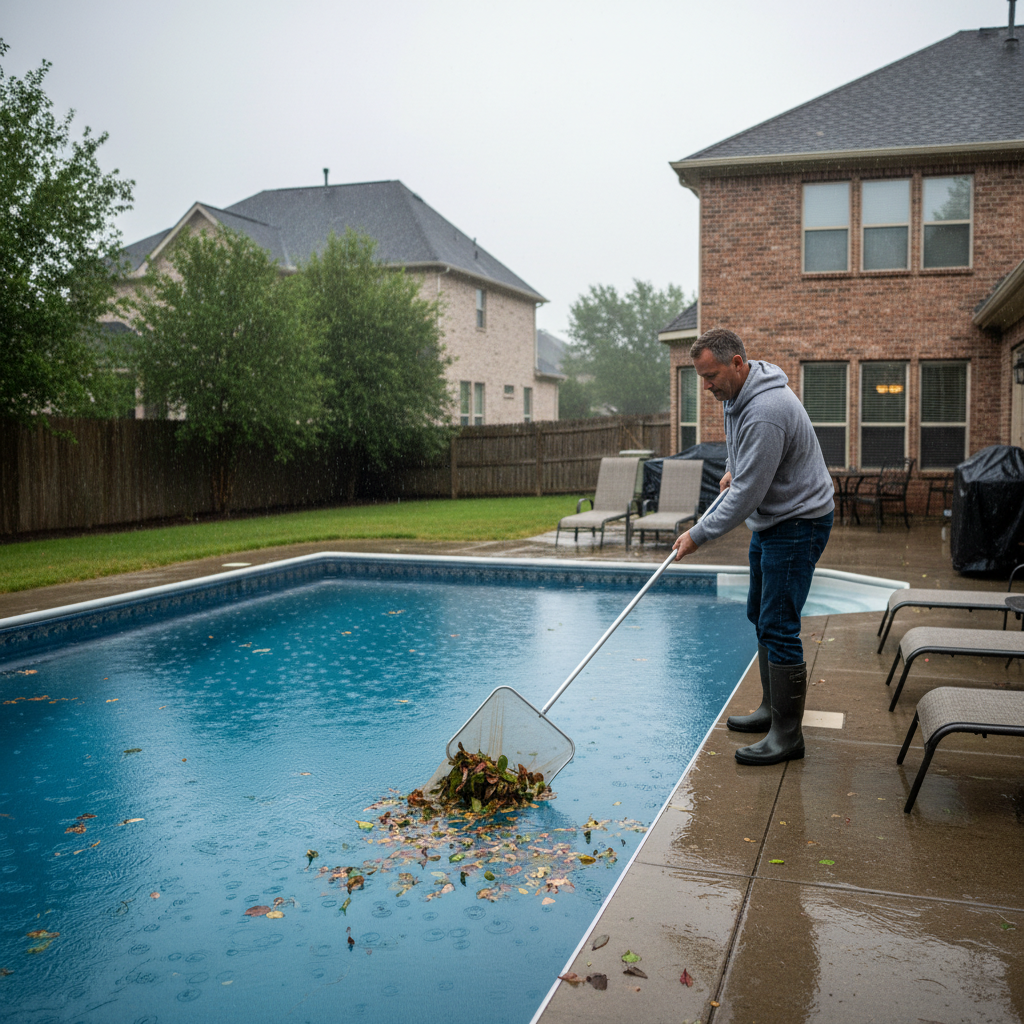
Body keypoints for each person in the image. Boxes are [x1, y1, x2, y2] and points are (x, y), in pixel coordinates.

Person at [671, 327, 834, 766]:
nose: (707, 386)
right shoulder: (736, 396)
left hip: (798, 521)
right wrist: (733, 467)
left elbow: (746, 496)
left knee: (779, 624)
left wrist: (698, 534)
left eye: (711, 376)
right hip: (775, 519)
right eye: (702, 378)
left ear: (738, 363)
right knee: (760, 612)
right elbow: (740, 454)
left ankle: (788, 736)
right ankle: (770, 710)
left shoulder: (766, 410)